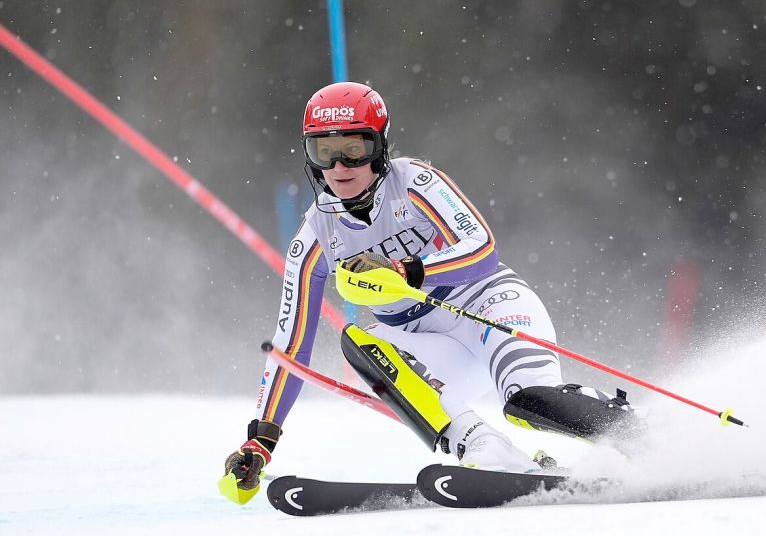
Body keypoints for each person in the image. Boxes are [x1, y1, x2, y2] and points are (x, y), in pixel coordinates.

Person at [223, 82, 638, 496]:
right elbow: (291, 343)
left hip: (488, 307)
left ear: (379, 146)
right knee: (361, 346)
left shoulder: (415, 181)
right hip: (424, 342)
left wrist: (407, 270)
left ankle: (643, 437)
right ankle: (488, 450)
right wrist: (261, 438)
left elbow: (482, 248)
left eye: (354, 149)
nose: (338, 167)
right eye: (322, 152)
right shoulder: (314, 236)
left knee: (528, 402)